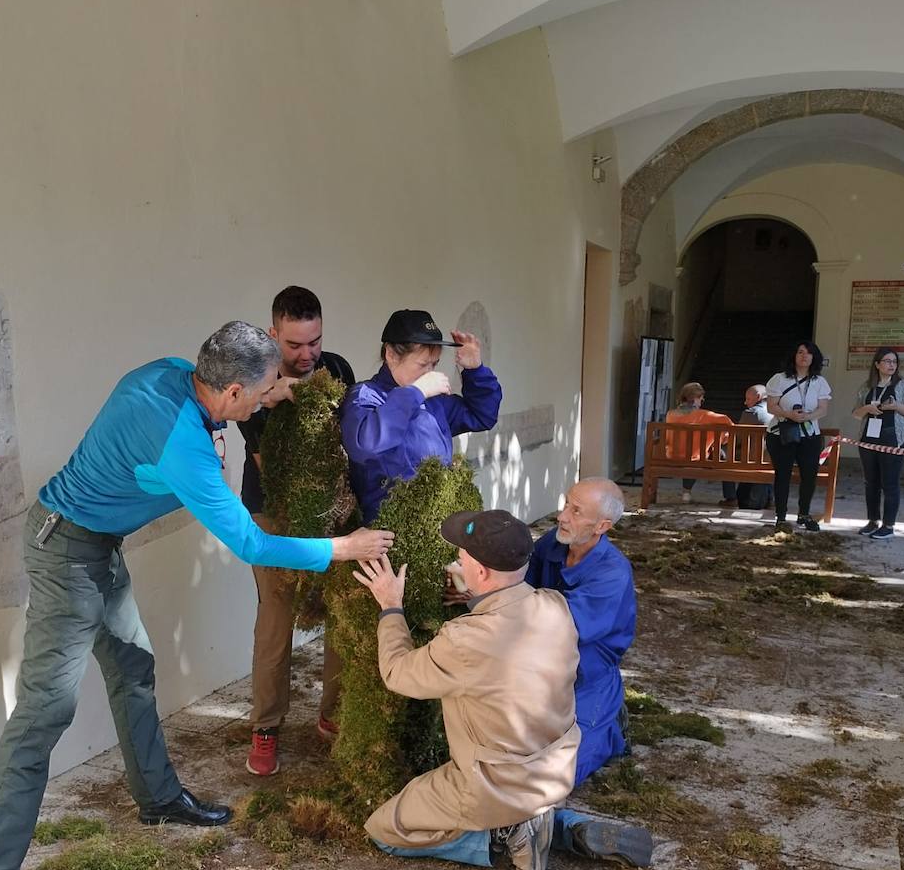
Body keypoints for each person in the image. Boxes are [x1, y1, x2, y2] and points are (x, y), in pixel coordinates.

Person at [0, 322, 394, 870]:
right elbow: (251, 542)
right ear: (232, 388)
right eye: (264, 391)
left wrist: (262, 398)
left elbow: (221, 407)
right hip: (67, 554)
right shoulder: (182, 447)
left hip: (94, 546)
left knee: (135, 666)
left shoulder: (170, 371)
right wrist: (342, 547)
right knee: (44, 713)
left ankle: (158, 799)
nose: (268, 400)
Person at [353, 510, 653, 870]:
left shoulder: (463, 638)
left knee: (384, 830)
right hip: (556, 770)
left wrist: (391, 606)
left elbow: (397, 673)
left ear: (480, 572)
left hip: (495, 783)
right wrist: (475, 601)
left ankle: (505, 834)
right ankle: (556, 823)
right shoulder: (555, 606)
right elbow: (504, 640)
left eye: (462, 556)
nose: (458, 559)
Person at [236, 287, 355, 777]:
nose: (307, 355)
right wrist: (271, 400)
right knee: (276, 619)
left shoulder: (339, 371)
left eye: (315, 342)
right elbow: (272, 471)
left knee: (341, 613)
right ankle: (266, 728)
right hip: (272, 512)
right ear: (272, 334)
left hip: (335, 509)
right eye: (294, 345)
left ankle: (333, 715)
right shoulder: (252, 384)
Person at [526, 478, 636, 785]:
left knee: (558, 775)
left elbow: (559, 624)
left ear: (602, 526)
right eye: (565, 505)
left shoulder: (612, 574)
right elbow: (520, 587)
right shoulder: (554, 542)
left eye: (576, 511)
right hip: (541, 665)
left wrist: (490, 598)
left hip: (586, 674)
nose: (562, 516)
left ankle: (610, 726)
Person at [342, 309, 501, 521]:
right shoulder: (365, 397)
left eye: (434, 364)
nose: (429, 373)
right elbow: (366, 446)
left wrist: (475, 370)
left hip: (435, 525)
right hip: (386, 531)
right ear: (390, 355)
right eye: (422, 364)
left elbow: (483, 415)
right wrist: (415, 393)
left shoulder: (433, 400)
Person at [850, 348, 904, 541]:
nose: (891, 365)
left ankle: (888, 525)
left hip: (893, 439)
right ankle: (873, 520)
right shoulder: (867, 387)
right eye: (887, 361)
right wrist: (866, 408)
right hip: (868, 440)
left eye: (894, 362)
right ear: (877, 364)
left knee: (890, 483)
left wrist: (896, 406)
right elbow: (856, 414)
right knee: (870, 482)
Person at [765, 342, 833, 532]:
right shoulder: (779, 379)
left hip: (809, 434)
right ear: (793, 356)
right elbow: (772, 406)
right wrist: (790, 415)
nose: (805, 356)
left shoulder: (819, 382)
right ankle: (781, 517)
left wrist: (807, 417)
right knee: (783, 475)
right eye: (800, 352)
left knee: (809, 475)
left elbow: (823, 409)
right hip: (782, 434)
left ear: (814, 358)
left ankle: (804, 514)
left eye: (809, 353)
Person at [663, 382, 737, 507]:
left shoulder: (670, 414)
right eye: (701, 398)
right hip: (695, 457)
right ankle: (731, 497)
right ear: (695, 398)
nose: (702, 400)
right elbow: (729, 423)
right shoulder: (704, 415)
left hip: (672, 455)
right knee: (721, 455)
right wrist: (722, 438)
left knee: (691, 451)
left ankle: (686, 493)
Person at [736, 384, 774, 510]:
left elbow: (738, 439)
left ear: (758, 397)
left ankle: (737, 498)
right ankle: (768, 498)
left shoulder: (751, 413)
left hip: (752, 461)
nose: (745, 402)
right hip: (773, 459)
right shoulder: (776, 412)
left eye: (748, 398)